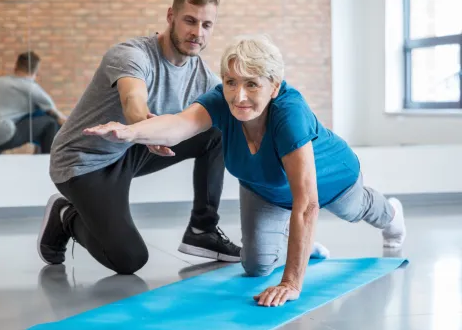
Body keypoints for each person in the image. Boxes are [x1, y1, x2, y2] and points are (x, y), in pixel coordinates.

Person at [84, 35, 407, 307]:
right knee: (255, 267)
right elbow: (179, 125)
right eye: (231, 82)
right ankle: (306, 245)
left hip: (331, 181)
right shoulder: (220, 101)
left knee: (354, 211)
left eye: (252, 84)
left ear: (274, 86)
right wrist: (132, 132)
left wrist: (292, 282)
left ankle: (391, 214)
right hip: (264, 187)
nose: (239, 96)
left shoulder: (289, 114)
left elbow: (307, 203)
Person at [37, 0, 241, 275]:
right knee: (129, 259)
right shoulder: (131, 55)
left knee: (218, 130)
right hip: (83, 162)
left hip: (130, 151)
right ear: (171, 16)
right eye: (190, 21)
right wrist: (139, 129)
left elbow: (235, 111)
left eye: (206, 25)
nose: (198, 32)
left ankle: (202, 229)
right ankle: (65, 215)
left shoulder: (201, 75)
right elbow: (134, 101)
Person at [0, 51, 67, 154]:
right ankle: (47, 164)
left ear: (16, 66)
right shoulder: (30, 86)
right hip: (1, 134)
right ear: (35, 71)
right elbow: (58, 117)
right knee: (50, 123)